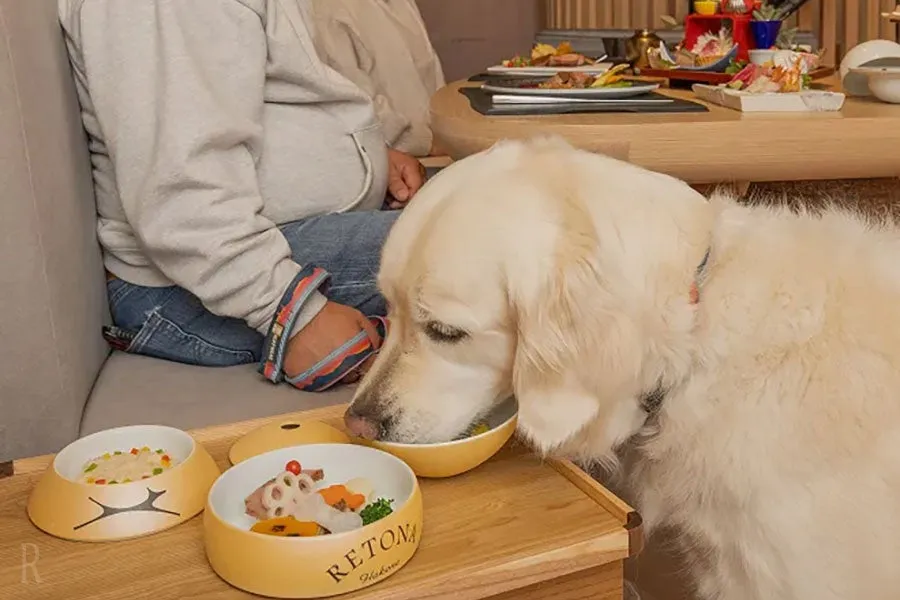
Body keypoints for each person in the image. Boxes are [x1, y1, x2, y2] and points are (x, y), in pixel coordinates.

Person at [58, 0, 426, 389]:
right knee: (485, 241)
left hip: (240, 250)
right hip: (206, 280)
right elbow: (184, 197)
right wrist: (294, 313)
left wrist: (367, 157)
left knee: (475, 208)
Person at [312, 0, 446, 158]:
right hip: (390, 163)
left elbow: (430, 73)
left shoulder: (402, 4)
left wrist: (448, 134)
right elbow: (353, 99)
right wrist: (423, 143)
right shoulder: (327, 9)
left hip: (435, 155)